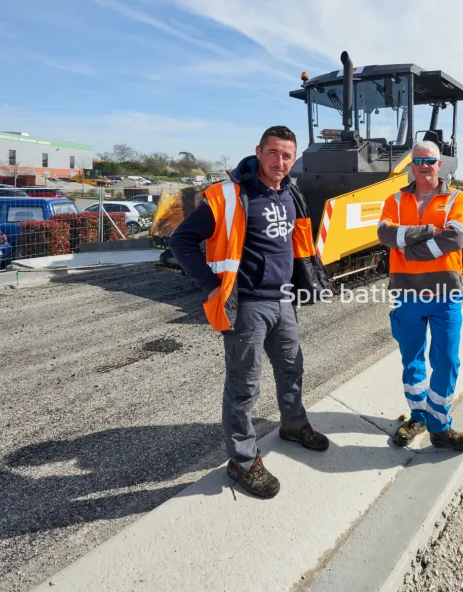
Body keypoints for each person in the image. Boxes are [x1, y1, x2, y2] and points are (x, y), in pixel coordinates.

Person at [169, 126, 333, 499]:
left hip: (284, 301)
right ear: (258, 152)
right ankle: (242, 460)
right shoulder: (229, 196)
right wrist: (213, 287)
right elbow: (181, 240)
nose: (280, 161)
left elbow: (298, 245)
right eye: (273, 153)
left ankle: (293, 424)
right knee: (245, 385)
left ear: (294, 159)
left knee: (292, 367)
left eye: (287, 155)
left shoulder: (292, 193)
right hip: (247, 305)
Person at [376, 140, 463, 452]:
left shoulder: (458, 199)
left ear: (439, 163)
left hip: (445, 295)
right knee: (412, 359)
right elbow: (385, 234)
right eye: (417, 161)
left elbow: (455, 238)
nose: (423, 166)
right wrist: (430, 231)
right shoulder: (394, 199)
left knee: (446, 359)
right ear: (411, 165)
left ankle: (439, 425)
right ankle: (418, 415)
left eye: (429, 160)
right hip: (406, 295)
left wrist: (409, 249)